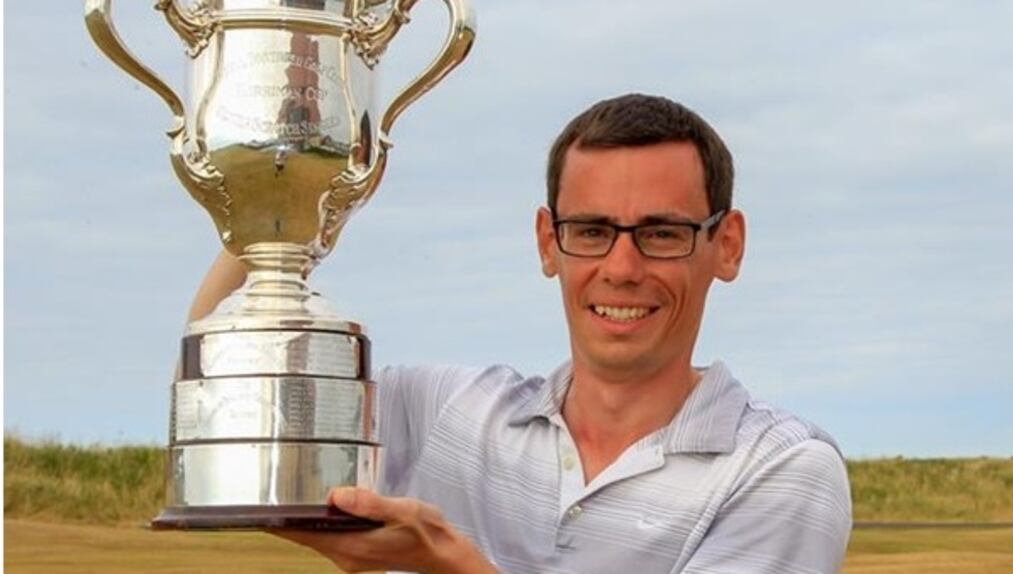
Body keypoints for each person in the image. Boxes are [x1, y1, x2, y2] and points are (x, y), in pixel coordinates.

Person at [188, 94, 852, 573]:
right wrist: (289, 202)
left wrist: (451, 567)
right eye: (590, 231)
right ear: (547, 242)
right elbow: (222, 402)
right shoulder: (447, 412)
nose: (621, 269)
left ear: (726, 246)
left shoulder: (780, 470)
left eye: (662, 234)